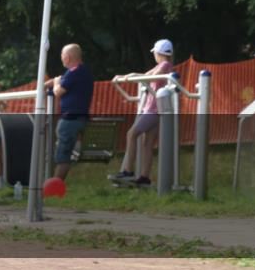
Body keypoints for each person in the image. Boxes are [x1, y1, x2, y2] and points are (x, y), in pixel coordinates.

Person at [108, 39, 175, 186]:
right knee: (147, 144)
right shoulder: (163, 65)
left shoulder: (164, 66)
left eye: (155, 53)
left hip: (153, 109)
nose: (154, 56)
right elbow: (144, 74)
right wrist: (126, 76)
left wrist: (127, 78)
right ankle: (144, 177)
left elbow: (148, 77)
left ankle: (127, 170)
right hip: (155, 109)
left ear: (158, 53)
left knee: (131, 134)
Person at [45, 43, 94, 182]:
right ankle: (55, 184)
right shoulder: (83, 71)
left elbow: (58, 92)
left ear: (67, 57)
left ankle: (55, 187)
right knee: (64, 152)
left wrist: (55, 83)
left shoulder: (74, 72)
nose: (61, 58)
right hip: (80, 118)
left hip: (69, 120)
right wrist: (56, 81)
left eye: (62, 55)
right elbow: (67, 83)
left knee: (62, 156)